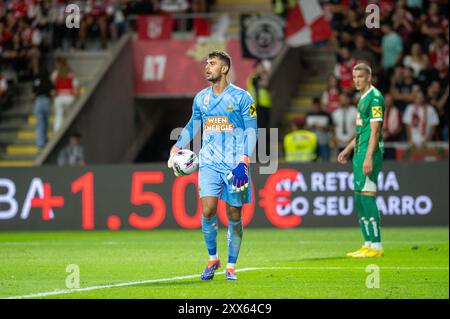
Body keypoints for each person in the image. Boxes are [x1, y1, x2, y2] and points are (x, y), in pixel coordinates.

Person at [167, 51, 257, 281]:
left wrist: (244, 161)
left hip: (235, 165)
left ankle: (231, 265)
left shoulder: (242, 97)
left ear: (224, 69)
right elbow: (192, 125)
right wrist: (177, 146)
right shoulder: (201, 98)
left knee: (234, 214)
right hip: (208, 162)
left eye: (213, 64)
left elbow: (252, 131)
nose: (207, 67)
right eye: (206, 63)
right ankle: (212, 258)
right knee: (207, 209)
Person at [337, 63, 385, 258]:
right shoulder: (362, 99)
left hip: (369, 152)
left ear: (369, 78)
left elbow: (375, 130)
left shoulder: (375, 98)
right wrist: (348, 149)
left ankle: (377, 245)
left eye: (360, 77)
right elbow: (362, 130)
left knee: (367, 195)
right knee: (359, 198)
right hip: (359, 151)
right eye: (354, 77)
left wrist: (368, 157)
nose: (356, 80)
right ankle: (367, 244)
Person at [305, 97, 333, 162]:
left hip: (324, 142)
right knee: (311, 162)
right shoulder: (308, 115)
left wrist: (323, 127)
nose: (316, 107)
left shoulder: (326, 115)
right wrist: (310, 127)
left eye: (317, 105)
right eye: (314, 106)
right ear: (312, 105)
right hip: (311, 144)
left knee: (326, 161)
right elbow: (304, 128)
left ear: (320, 105)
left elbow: (332, 128)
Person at [33, 68, 54, 149]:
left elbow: (34, 94)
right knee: (45, 122)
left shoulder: (36, 81)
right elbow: (52, 92)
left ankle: (40, 143)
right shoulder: (48, 81)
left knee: (39, 123)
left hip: (38, 101)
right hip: (46, 101)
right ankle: (43, 141)